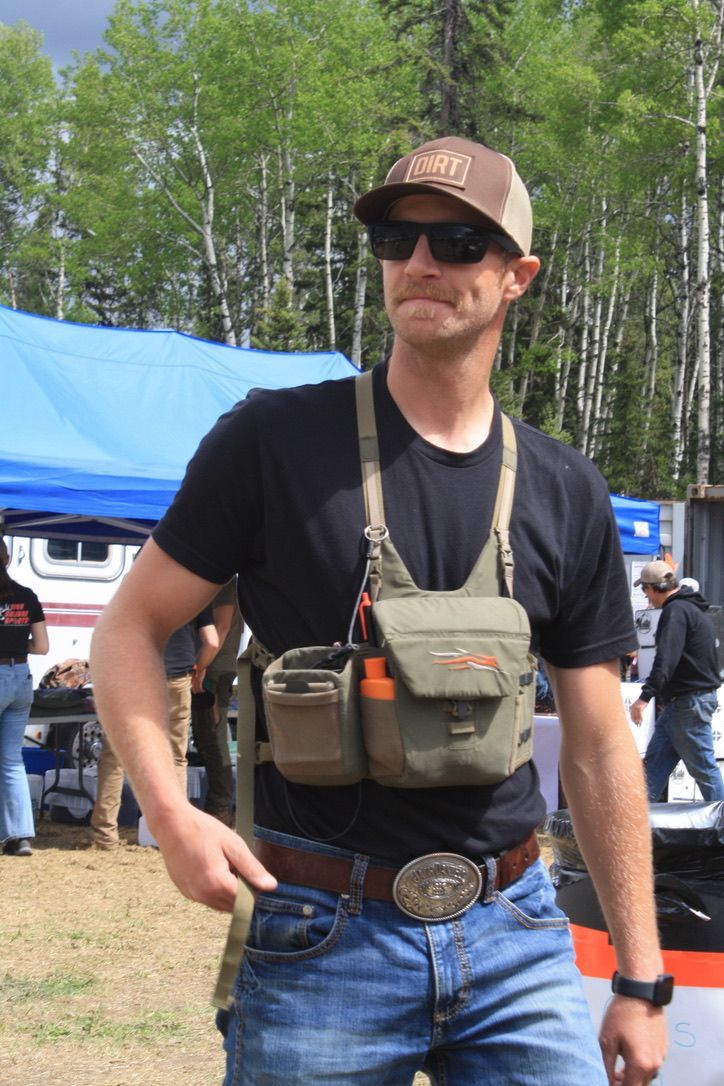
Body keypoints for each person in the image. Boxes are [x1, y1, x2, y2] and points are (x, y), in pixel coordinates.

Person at [91, 135, 668, 1085]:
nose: (422, 263)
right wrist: (169, 809)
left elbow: (603, 744)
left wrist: (641, 977)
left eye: (458, 241)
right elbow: (129, 625)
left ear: (518, 275)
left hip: (517, 934)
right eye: (399, 238)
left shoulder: (567, 488)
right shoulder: (272, 442)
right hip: (320, 935)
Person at [90, 608, 218, 849]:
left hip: (135, 675)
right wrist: (198, 668)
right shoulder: (196, 592)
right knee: (176, 757)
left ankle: (105, 834)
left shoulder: (142, 582)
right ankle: (176, 836)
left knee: (116, 756)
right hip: (178, 678)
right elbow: (212, 642)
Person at [630, 559, 723, 803]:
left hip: (688, 702)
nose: (646, 598)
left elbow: (666, 660)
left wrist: (644, 698)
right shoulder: (692, 609)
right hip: (682, 703)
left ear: (651, 588)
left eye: (644, 590)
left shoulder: (676, 611)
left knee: (704, 770)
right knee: (654, 768)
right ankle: (638, 825)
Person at [0, 537, 49, 856]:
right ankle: (20, 837)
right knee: (11, 759)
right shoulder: (27, 596)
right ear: (7, 558)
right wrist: (18, 647)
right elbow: (42, 647)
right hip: (21, 678)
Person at [189, 578, 242, 825]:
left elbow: (222, 625)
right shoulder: (222, 581)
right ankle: (219, 805)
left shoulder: (224, 582)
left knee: (212, 739)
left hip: (214, 670)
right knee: (206, 738)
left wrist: (202, 665)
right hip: (214, 667)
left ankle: (219, 807)